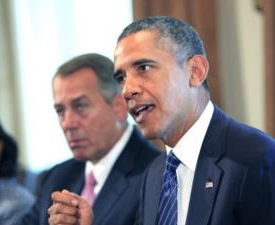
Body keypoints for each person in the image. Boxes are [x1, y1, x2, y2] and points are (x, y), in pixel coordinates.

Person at [48, 16, 275, 225]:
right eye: (121, 77)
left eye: (143, 68)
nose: (127, 90)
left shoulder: (255, 158)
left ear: (195, 71)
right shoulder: (155, 174)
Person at [20, 53, 159, 225]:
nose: (68, 123)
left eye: (80, 106)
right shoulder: (57, 176)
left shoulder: (156, 174)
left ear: (119, 106)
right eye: (60, 111)